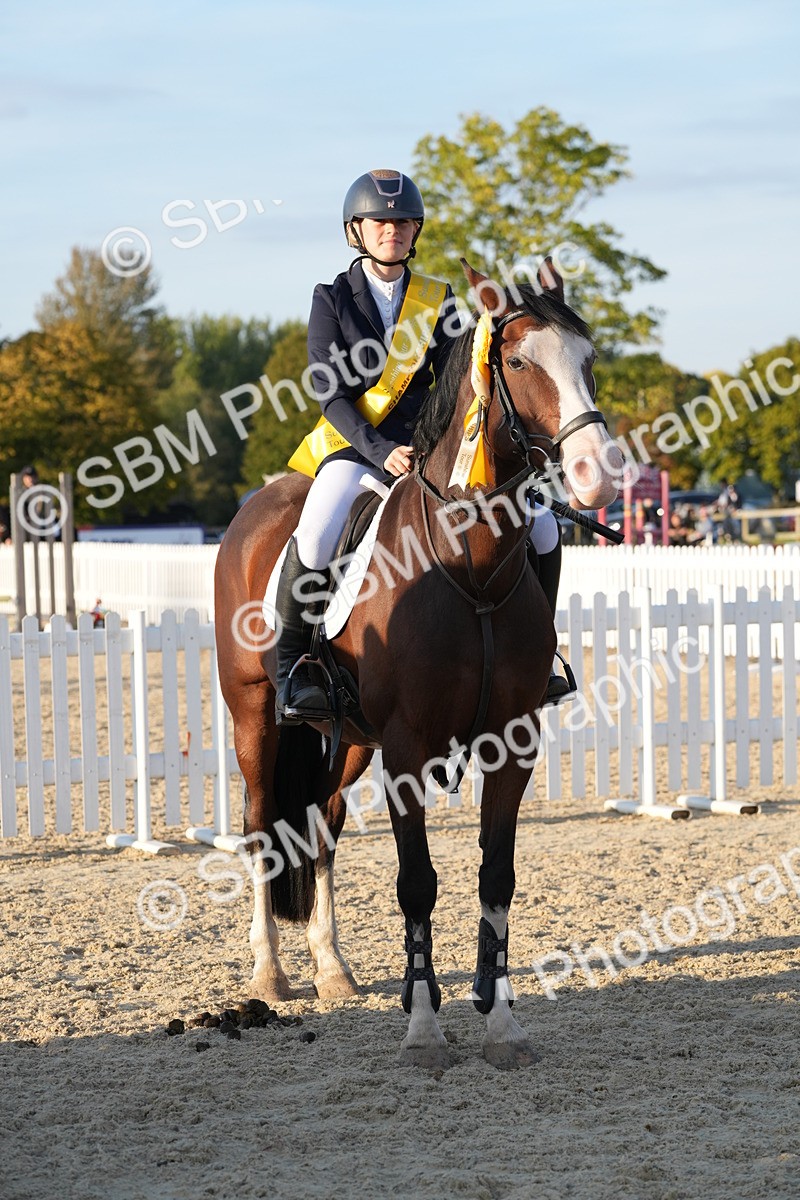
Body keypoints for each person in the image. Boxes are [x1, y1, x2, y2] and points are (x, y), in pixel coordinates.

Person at [275, 169, 574, 723]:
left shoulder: (437, 299)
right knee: (316, 532)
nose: (393, 229)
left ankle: (541, 654)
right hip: (354, 446)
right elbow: (329, 393)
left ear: (416, 231)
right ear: (356, 231)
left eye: (404, 221)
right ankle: (294, 668)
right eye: (380, 221)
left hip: (430, 449)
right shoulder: (331, 299)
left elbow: (464, 372)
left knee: (542, 524)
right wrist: (377, 449)